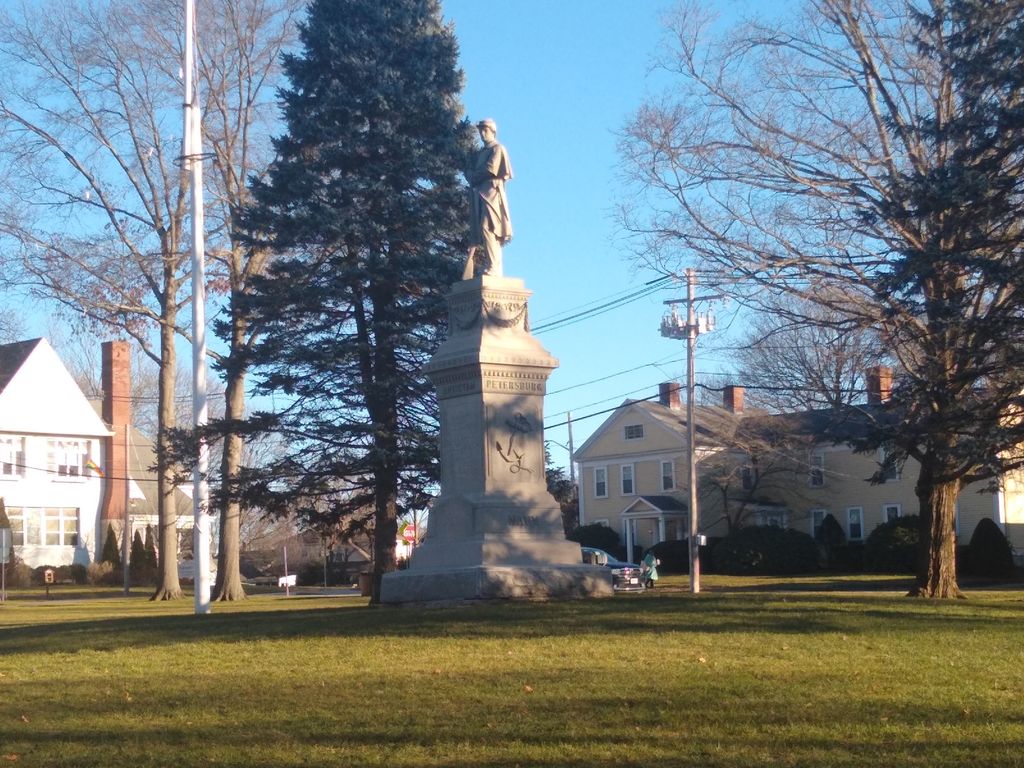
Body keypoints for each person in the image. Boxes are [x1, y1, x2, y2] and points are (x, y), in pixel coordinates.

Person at [463, 118, 512, 279]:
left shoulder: (498, 149)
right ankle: (492, 265)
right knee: (484, 231)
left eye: (485, 130)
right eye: (480, 131)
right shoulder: (481, 153)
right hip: (481, 194)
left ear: (493, 131)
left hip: (492, 193)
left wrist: (472, 176)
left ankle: (494, 267)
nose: (482, 134)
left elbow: (490, 169)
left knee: (489, 227)